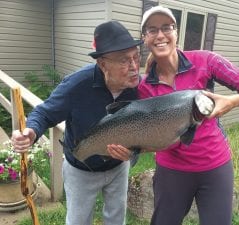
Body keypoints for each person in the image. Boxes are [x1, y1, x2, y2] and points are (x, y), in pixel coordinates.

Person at [139, 5, 239, 225]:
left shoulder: (206, 61)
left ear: (176, 33)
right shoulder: (144, 87)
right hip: (171, 171)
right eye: (152, 30)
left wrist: (231, 102)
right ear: (145, 38)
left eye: (166, 27)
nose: (160, 35)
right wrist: (135, 148)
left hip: (215, 167)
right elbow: (150, 136)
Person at [10, 21, 142, 225]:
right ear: (103, 64)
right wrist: (31, 131)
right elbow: (44, 113)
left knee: (117, 218)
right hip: (81, 169)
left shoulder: (136, 88)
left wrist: (132, 151)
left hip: (118, 167)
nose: (134, 67)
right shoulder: (77, 85)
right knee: (78, 221)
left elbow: (142, 129)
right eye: (124, 60)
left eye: (136, 57)